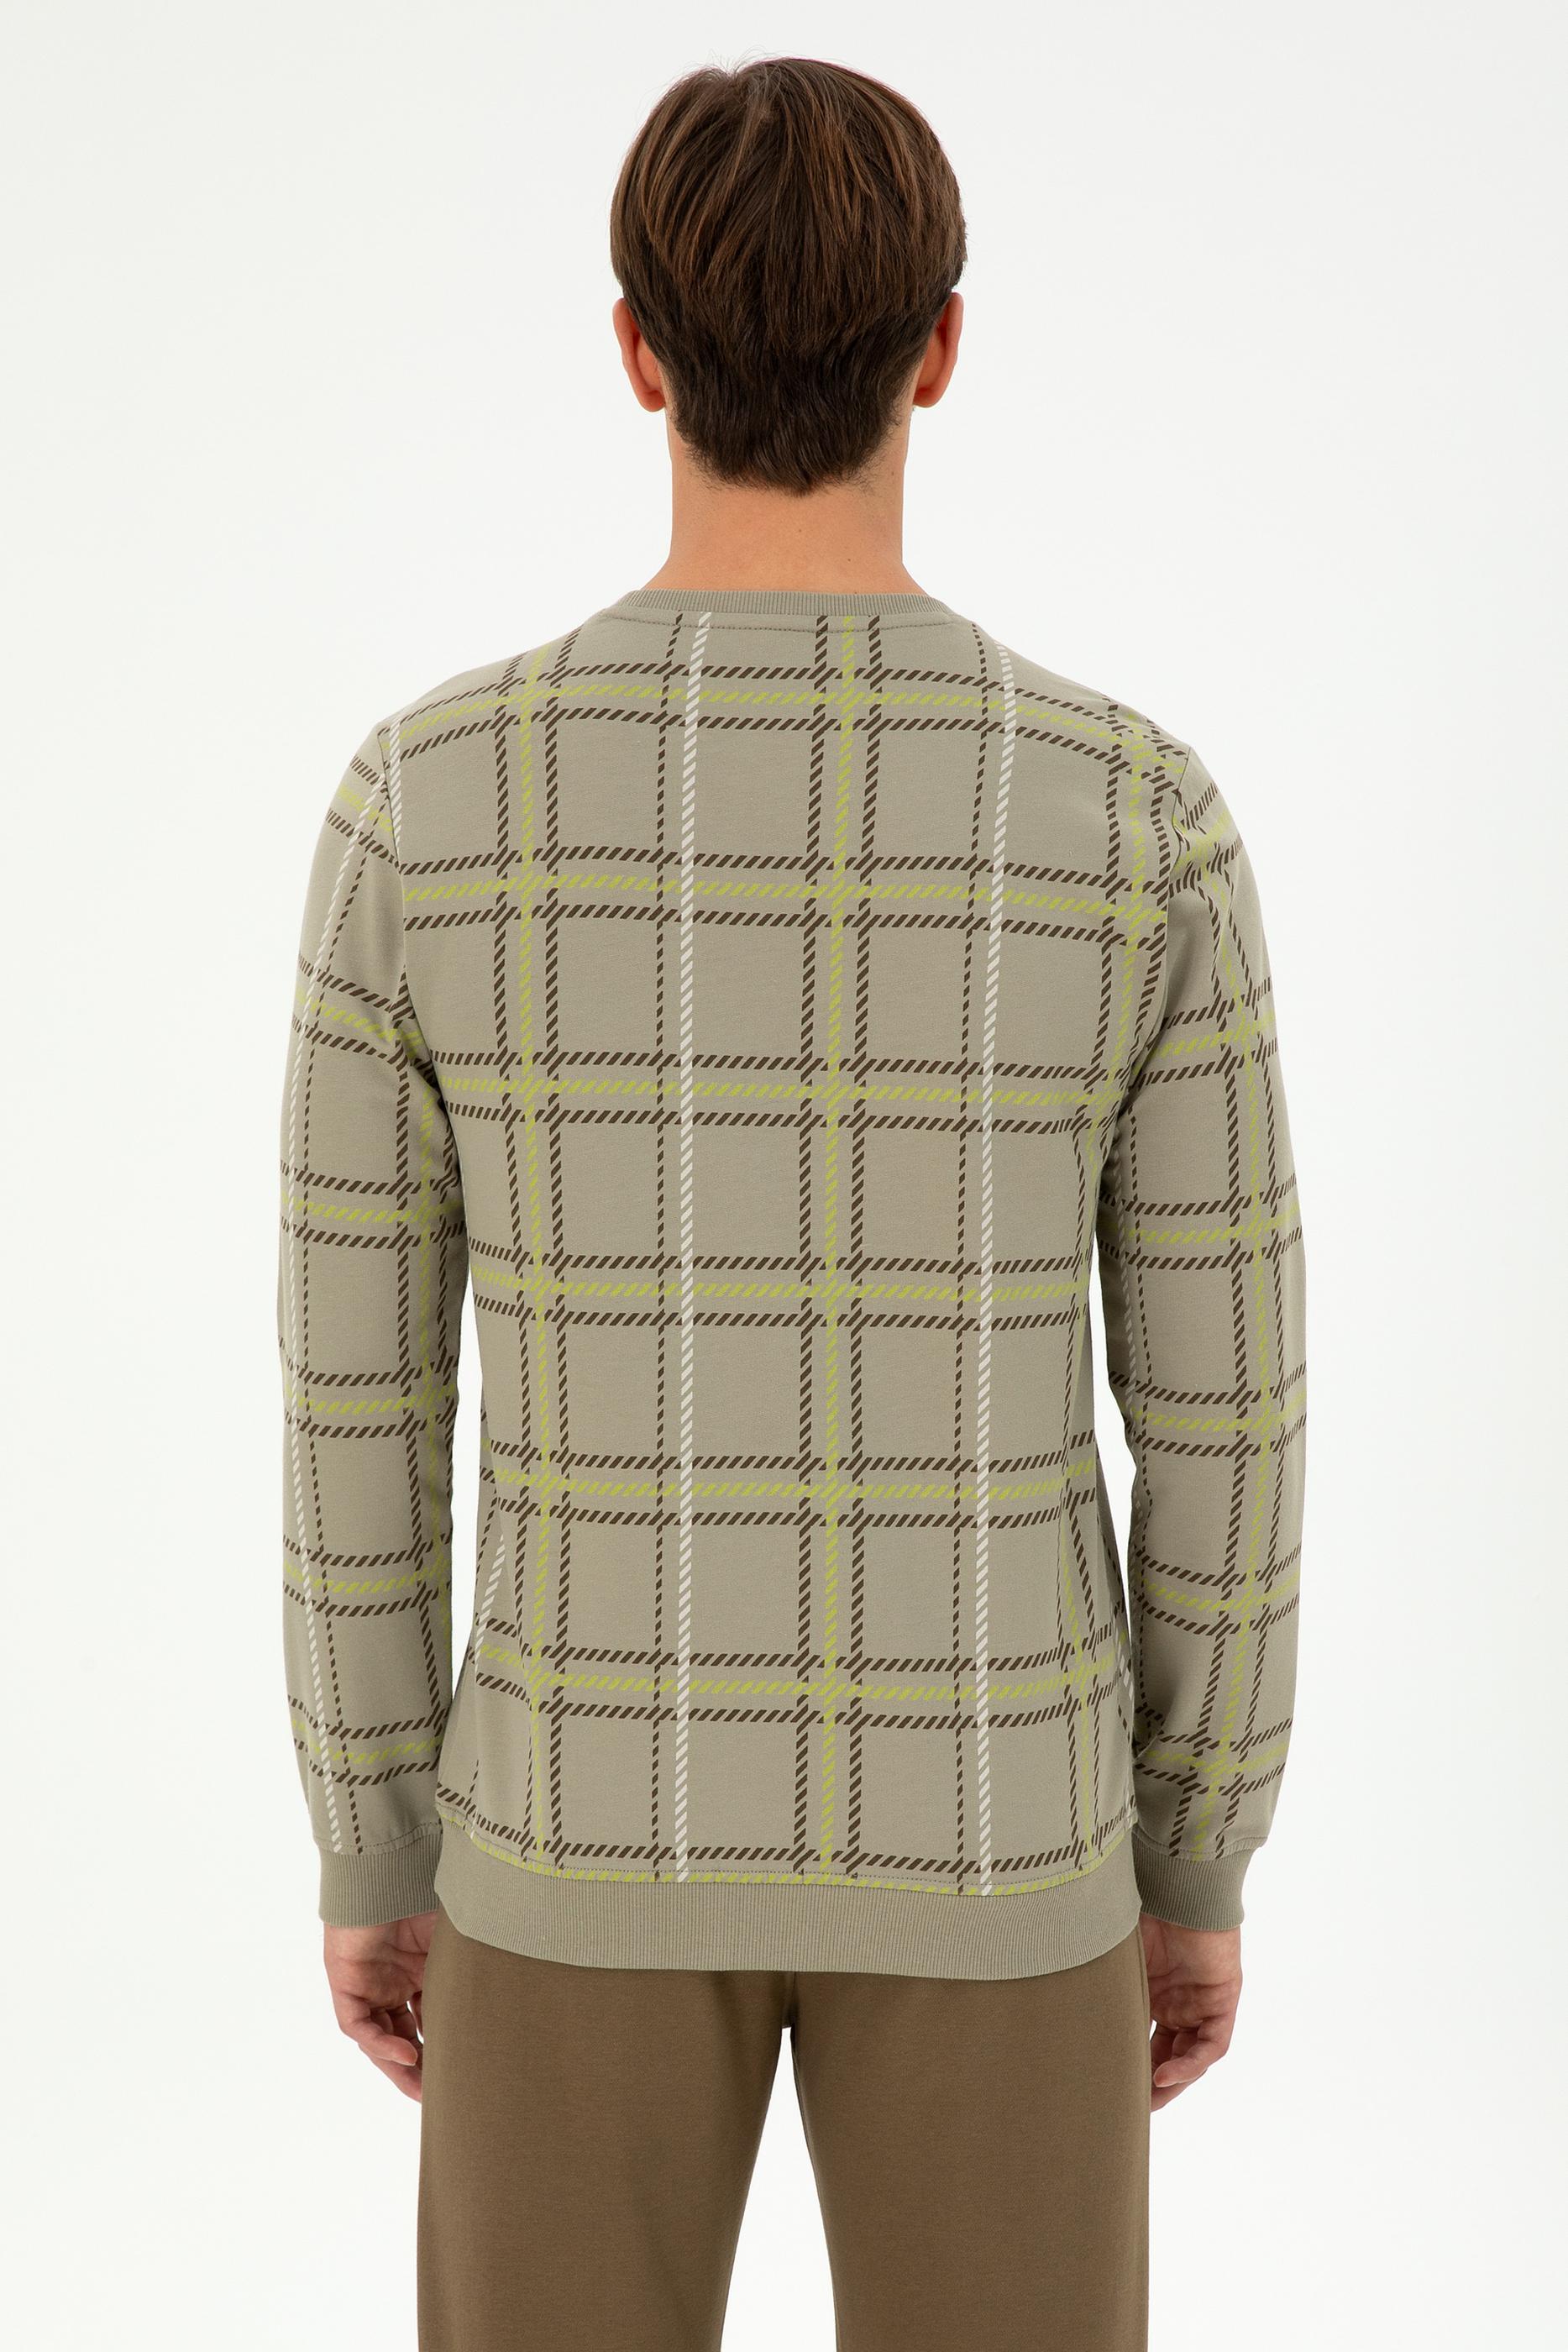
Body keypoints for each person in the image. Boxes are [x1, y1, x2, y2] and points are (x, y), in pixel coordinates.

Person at [276, 55, 1307, 2352]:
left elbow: (356, 1400)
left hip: (565, 1826)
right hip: (1006, 1831)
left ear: (636, 351)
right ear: (939, 346)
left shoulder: (427, 804)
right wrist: (1191, 1843)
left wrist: (375, 1829)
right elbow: (1227, 1410)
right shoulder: (1134, 816)